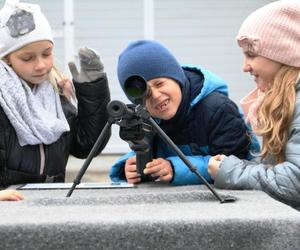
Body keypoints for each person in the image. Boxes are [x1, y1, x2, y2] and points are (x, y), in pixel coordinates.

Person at [110, 39, 259, 185]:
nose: (155, 96)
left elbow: (236, 165)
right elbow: (149, 152)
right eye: (146, 94)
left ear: (177, 78)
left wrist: (175, 168)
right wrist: (133, 167)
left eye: (159, 83)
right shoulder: (147, 117)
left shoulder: (218, 108)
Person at [0, 0, 110, 187]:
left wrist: (92, 90)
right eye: (28, 58)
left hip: (50, 204)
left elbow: (87, 146)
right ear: (7, 59)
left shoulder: (56, 93)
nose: (41, 65)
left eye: (47, 53)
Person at [208, 0, 300, 208]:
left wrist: (232, 171)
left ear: (285, 53)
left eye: (251, 54)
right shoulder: (288, 102)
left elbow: (295, 182)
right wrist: (238, 166)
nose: (244, 67)